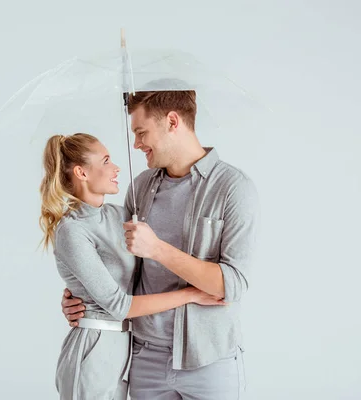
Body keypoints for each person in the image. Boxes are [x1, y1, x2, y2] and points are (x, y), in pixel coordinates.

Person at [61, 90, 260, 399]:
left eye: (141, 132)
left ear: (172, 121)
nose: (136, 143)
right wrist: (82, 301)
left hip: (210, 362)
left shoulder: (233, 188)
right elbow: (122, 271)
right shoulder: (140, 188)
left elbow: (232, 285)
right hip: (144, 359)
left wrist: (157, 249)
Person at [40, 132, 226, 400]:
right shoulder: (72, 230)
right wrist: (192, 294)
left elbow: (141, 275)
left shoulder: (120, 215)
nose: (115, 168)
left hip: (126, 350)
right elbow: (119, 306)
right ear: (81, 172)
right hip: (94, 348)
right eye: (105, 161)